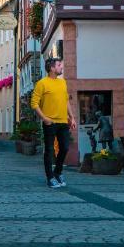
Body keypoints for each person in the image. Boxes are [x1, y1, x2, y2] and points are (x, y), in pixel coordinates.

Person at [31, 58, 76, 189]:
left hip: (63, 122)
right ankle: (50, 177)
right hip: (50, 122)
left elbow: (66, 101)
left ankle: (58, 172)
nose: (61, 67)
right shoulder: (42, 83)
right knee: (49, 150)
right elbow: (34, 103)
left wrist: (72, 117)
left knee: (65, 147)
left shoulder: (63, 83)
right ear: (51, 68)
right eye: (58, 65)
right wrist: (44, 118)